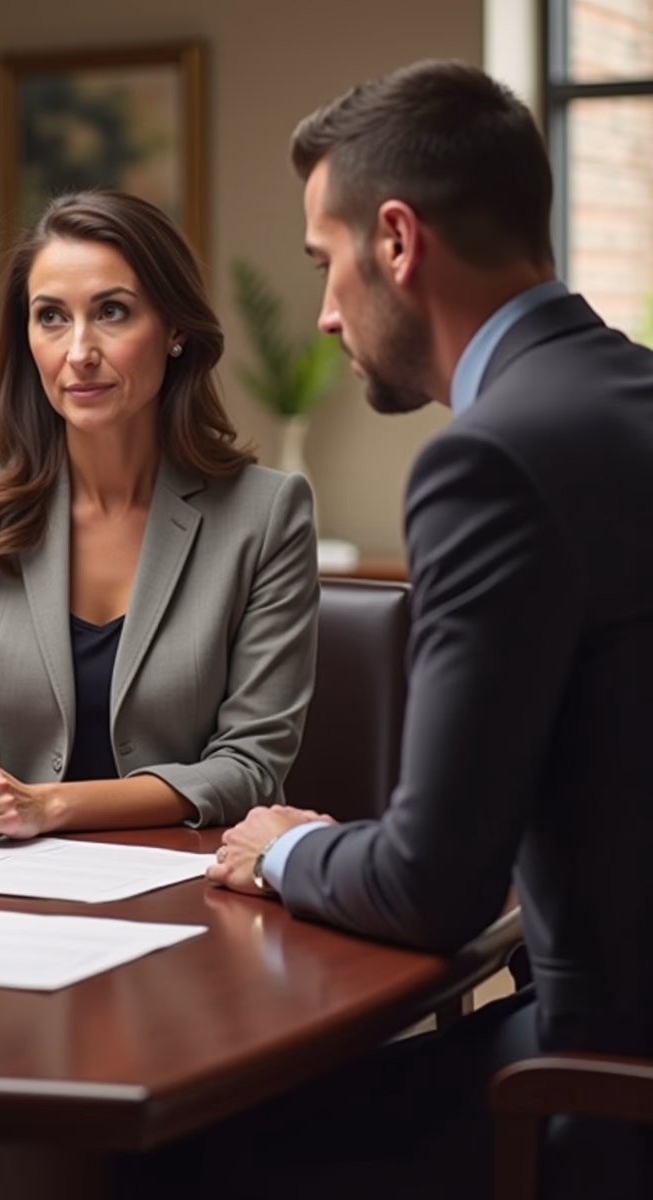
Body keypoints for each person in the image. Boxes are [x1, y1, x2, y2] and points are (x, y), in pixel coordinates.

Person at [200, 60, 653, 1198]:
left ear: (396, 242)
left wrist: (283, 849)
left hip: (595, 1089)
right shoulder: (628, 399)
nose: (323, 312)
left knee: (183, 1159)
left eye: (325, 263)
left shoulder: (490, 463)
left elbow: (431, 887)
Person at [0, 190, 319, 844]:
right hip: (4, 886)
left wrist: (51, 805)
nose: (79, 350)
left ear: (175, 330)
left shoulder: (267, 514)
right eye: (51, 317)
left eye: (112, 312)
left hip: (192, 890)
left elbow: (247, 764)